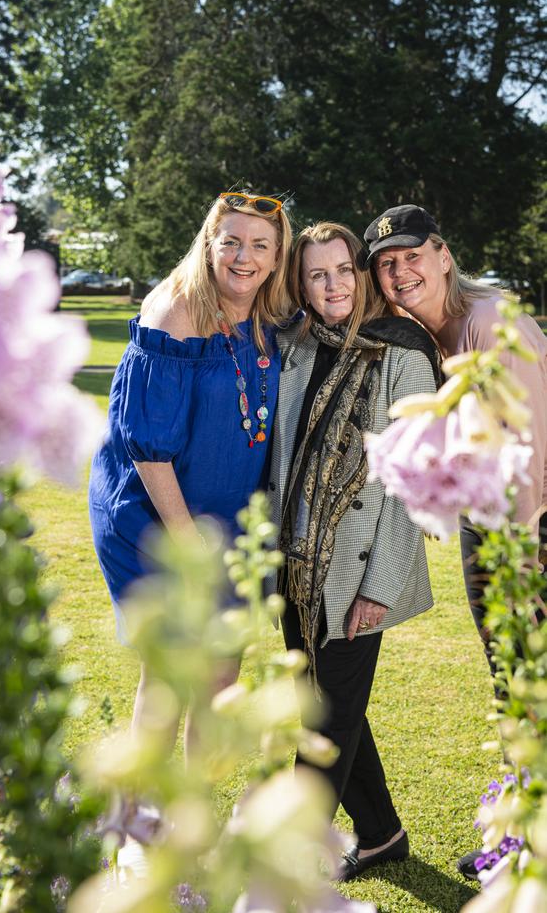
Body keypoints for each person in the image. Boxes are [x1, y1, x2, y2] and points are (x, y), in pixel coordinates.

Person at [364, 203, 547, 878]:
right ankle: (522, 836)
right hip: (492, 523)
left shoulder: (486, 324)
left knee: (531, 684)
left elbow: (526, 455)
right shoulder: (437, 333)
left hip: (528, 526)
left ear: (443, 255)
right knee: (515, 688)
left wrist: (522, 567)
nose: (400, 271)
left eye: (412, 255)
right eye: (387, 264)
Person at [268, 220, 440, 881]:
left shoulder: (402, 351)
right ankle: (381, 834)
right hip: (294, 562)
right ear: (303, 284)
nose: (332, 284)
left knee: (324, 719)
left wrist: (383, 584)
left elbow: (410, 484)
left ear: (362, 275)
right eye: (317, 273)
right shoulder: (303, 346)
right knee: (321, 704)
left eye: (343, 269)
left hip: (357, 568)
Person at [89, 190, 293, 731]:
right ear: (209, 245)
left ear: (277, 257)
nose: (243, 257)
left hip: (231, 515)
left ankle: (193, 815)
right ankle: (138, 816)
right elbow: (148, 448)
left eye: (259, 246)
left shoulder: (270, 316)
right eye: (230, 242)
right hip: (157, 516)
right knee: (171, 676)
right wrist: (184, 536)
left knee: (222, 677)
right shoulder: (174, 312)